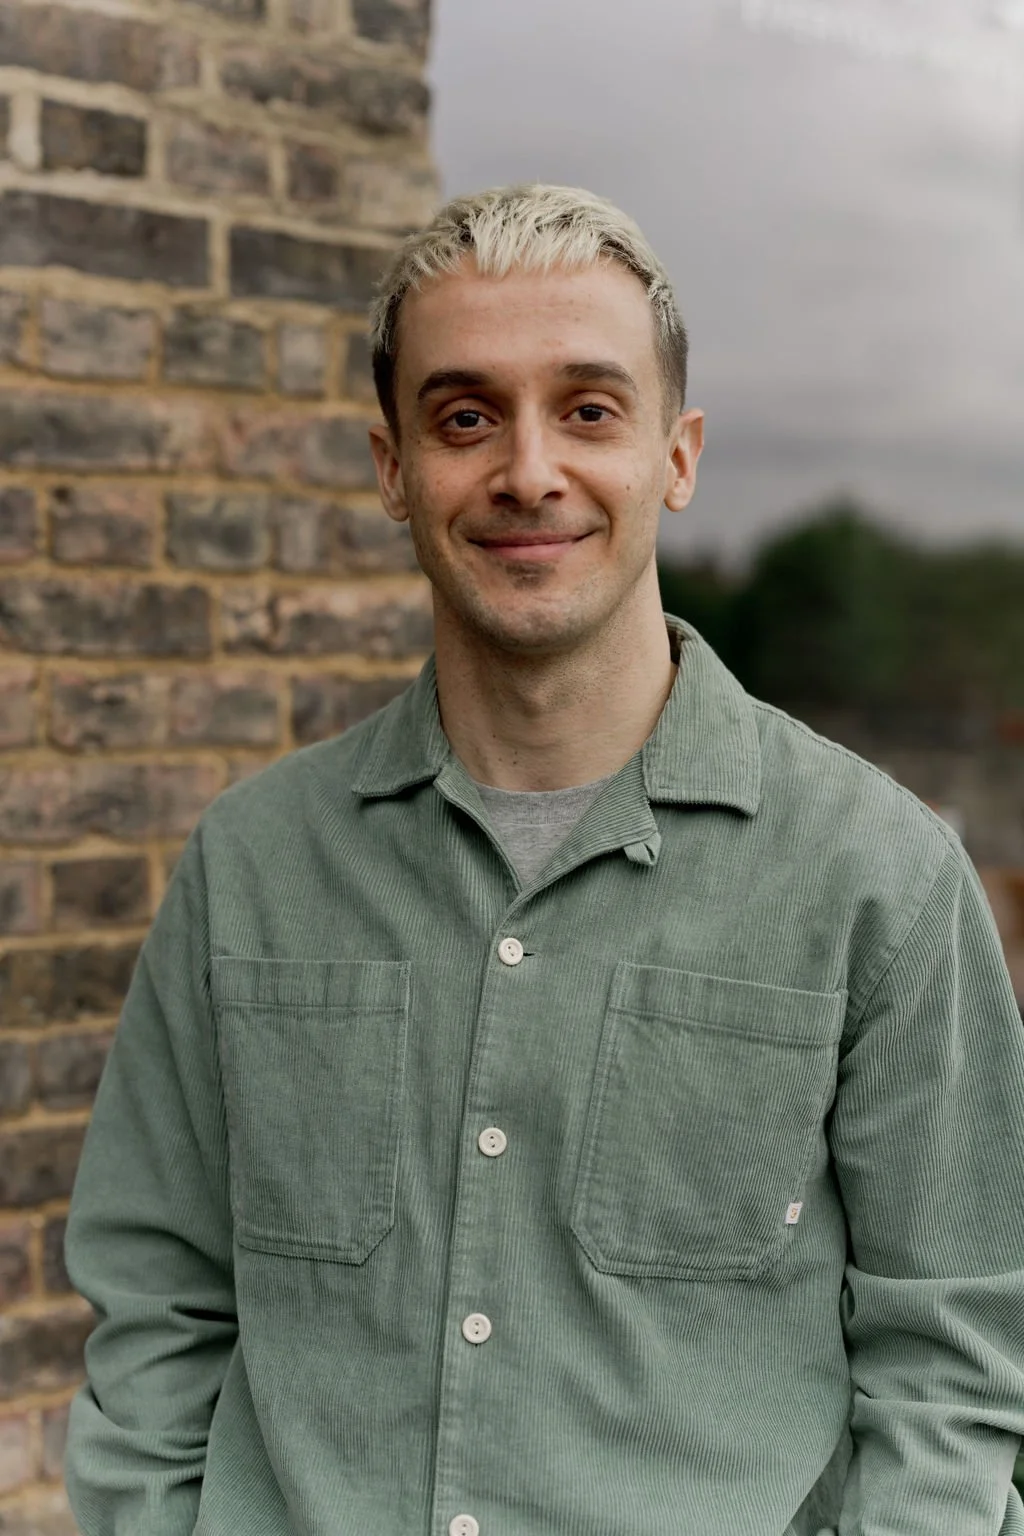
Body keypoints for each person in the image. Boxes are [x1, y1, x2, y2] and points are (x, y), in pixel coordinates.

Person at [64, 184, 1024, 1536]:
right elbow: (157, 1311)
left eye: (588, 409)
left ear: (677, 458)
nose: (527, 470)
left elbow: (961, 1360)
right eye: (465, 417)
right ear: (392, 467)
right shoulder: (251, 866)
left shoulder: (883, 880)